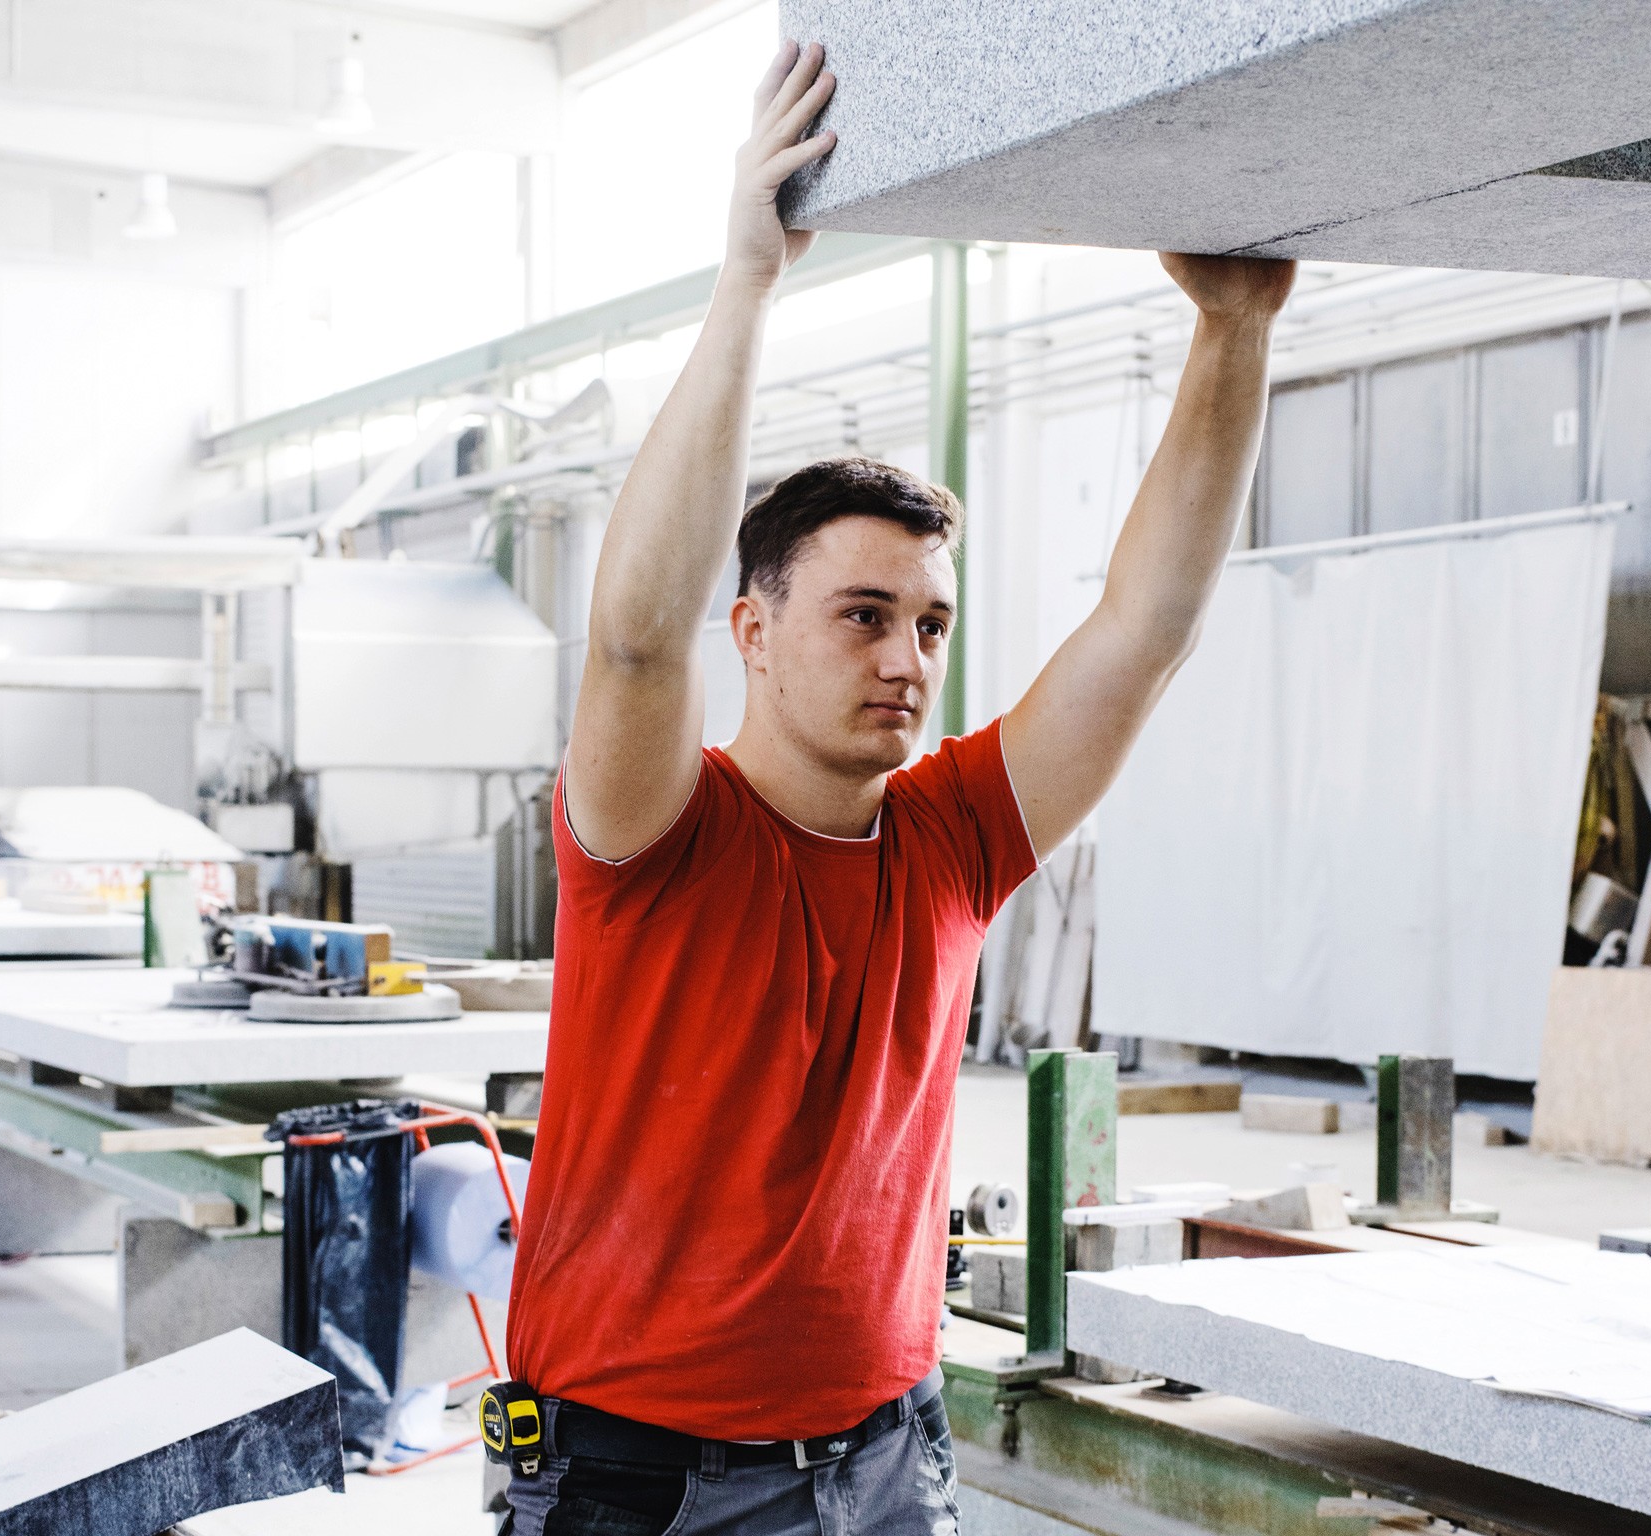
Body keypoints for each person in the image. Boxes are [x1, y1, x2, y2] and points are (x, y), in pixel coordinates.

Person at [503, 38, 1296, 1536]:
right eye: (861, 615)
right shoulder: (655, 834)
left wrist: (1234, 332)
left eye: (930, 622)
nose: (908, 657)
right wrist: (747, 281)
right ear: (754, 630)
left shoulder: (952, 836)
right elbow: (628, 636)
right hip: (634, 1475)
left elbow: (1144, 635)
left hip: (882, 1458)